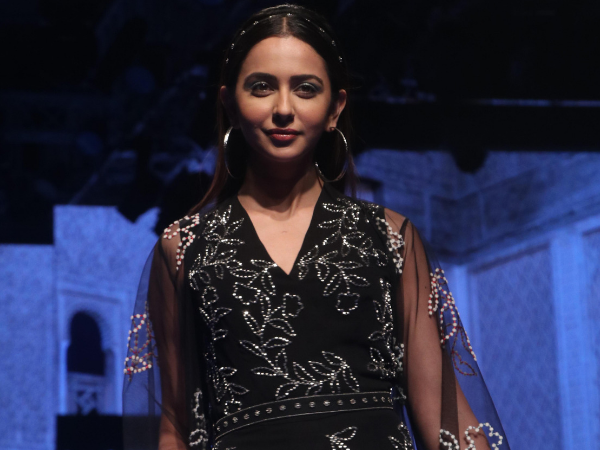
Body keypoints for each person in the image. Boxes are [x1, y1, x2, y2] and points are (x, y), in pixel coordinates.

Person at [122, 4, 510, 450]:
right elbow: (175, 426)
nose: (283, 109)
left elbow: (443, 414)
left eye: (305, 89)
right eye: (262, 87)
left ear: (334, 108)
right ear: (229, 103)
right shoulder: (186, 247)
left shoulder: (388, 237)